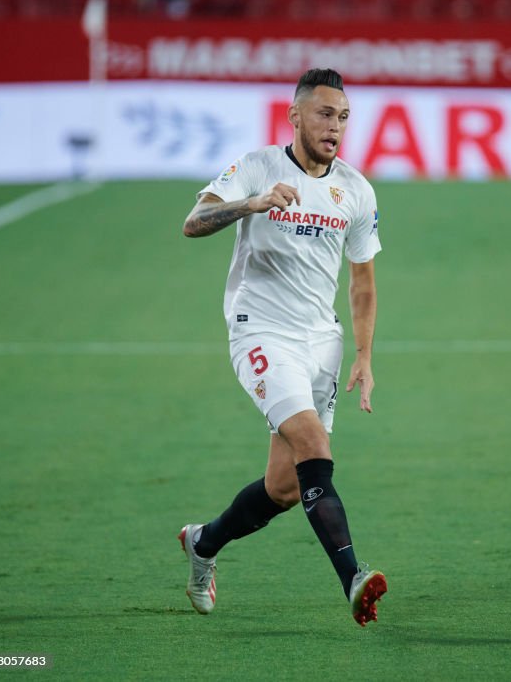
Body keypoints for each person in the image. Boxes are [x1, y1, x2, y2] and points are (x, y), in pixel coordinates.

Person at [177, 68, 386, 627]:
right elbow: (193, 224)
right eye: (323, 113)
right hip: (260, 331)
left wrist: (363, 354)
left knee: (286, 486)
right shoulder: (257, 167)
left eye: (342, 116)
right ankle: (354, 578)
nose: (334, 126)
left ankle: (204, 543)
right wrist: (253, 203)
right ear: (294, 115)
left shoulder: (356, 190)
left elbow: (362, 280)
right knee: (316, 449)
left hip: (322, 341)